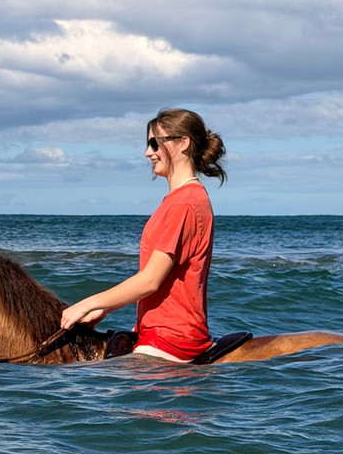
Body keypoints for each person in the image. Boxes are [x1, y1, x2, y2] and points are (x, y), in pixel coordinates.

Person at [60, 108, 227, 362]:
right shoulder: (180, 199)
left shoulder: (185, 203)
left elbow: (150, 280)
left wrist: (87, 304)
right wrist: (105, 308)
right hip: (154, 333)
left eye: (155, 143)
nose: (148, 152)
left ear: (183, 143)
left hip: (171, 340)